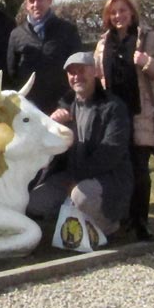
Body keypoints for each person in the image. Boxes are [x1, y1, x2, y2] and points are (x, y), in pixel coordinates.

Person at [94, 0, 154, 241]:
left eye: (123, 11)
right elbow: (97, 78)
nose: (118, 16)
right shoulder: (103, 43)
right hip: (113, 118)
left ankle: (141, 222)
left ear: (132, 12)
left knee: (140, 171)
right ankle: (123, 219)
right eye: (113, 12)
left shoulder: (148, 39)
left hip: (139, 114)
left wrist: (146, 62)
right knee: (119, 170)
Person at [27, 52, 133, 236]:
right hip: (70, 176)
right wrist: (52, 126)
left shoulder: (114, 107)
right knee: (34, 203)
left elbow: (111, 153)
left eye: (82, 70)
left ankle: (107, 226)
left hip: (107, 178)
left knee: (81, 196)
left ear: (95, 72)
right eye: (72, 73)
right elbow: (47, 148)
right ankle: (69, 223)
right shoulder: (65, 107)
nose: (77, 77)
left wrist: (77, 179)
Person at [7, 0, 82, 115]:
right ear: (26, 5)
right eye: (31, 1)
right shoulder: (16, 35)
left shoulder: (67, 30)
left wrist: (66, 104)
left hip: (62, 109)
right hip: (29, 110)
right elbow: (12, 74)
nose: (36, 4)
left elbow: (78, 69)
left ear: (49, 0)